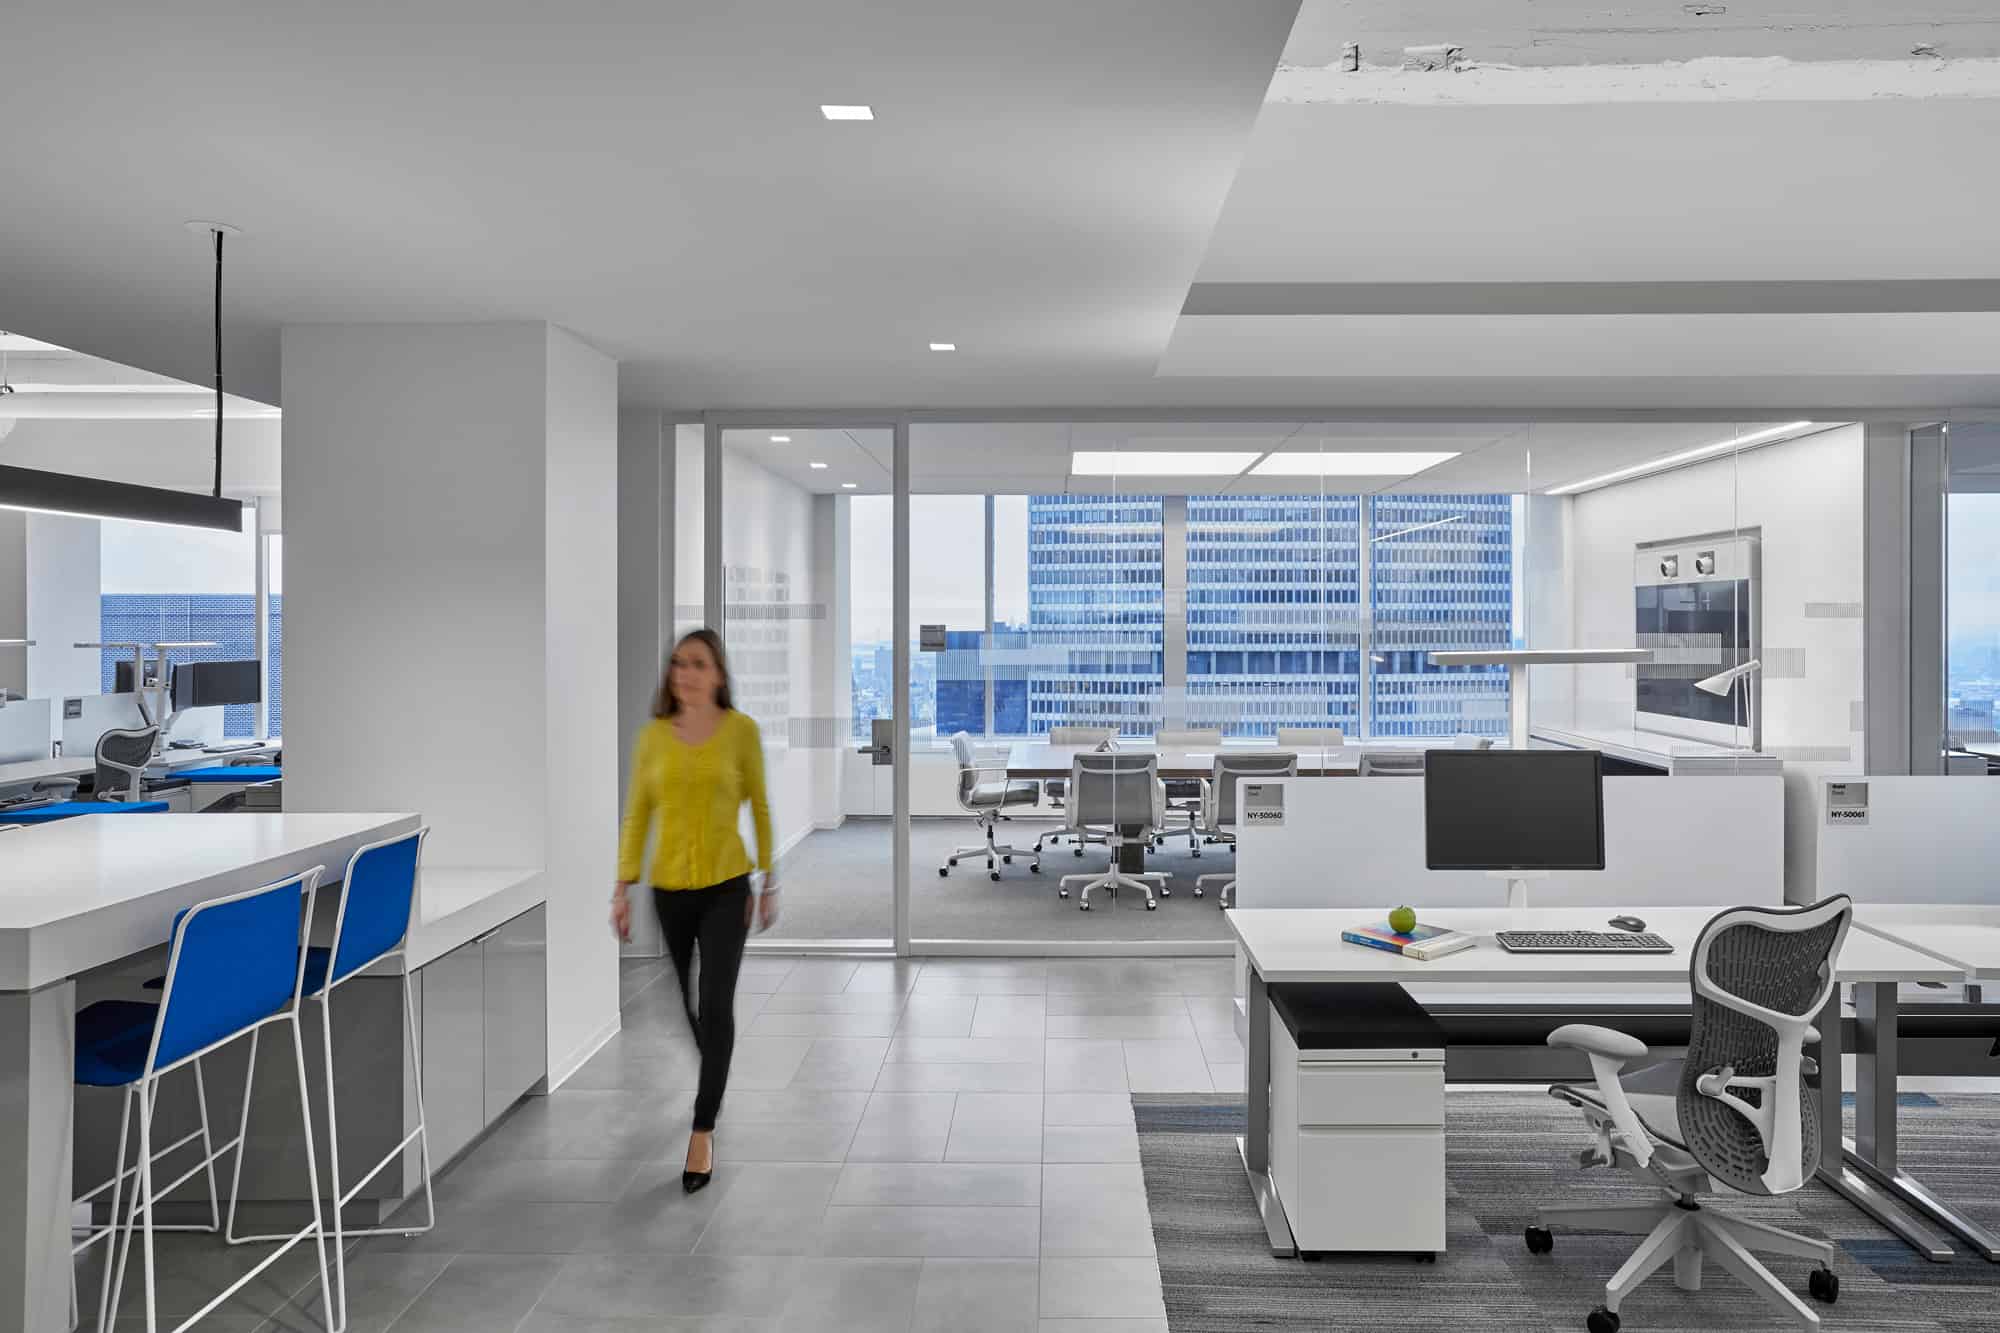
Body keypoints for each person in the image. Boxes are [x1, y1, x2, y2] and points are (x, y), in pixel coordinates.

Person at [611, 627, 776, 1193]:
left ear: (719, 675)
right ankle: (717, 1070)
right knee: (687, 1003)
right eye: (679, 664)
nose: (686, 673)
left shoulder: (741, 733)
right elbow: (637, 814)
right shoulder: (653, 738)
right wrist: (622, 886)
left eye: (698, 664)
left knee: (716, 1001)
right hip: (669, 891)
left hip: (728, 886)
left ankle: (701, 1130)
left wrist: (769, 877)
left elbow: (759, 804)